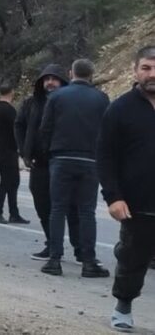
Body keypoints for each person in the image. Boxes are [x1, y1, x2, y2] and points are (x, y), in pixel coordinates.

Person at [97, 46, 155, 331]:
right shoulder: (119, 109)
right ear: (135, 71)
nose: (152, 74)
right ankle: (123, 306)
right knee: (133, 259)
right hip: (137, 203)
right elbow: (105, 156)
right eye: (146, 68)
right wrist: (113, 197)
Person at [38, 59, 111, 278]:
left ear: (71, 73)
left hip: (61, 157)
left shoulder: (58, 96)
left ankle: (54, 259)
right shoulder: (102, 98)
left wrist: (49, 151)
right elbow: (108, 131)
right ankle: (88, 261)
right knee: (87, 211)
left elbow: (45, 128)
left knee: (58, 209)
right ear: (91, 74)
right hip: (90, 160)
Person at [15, 64, 80, 261]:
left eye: (54, 78)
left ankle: (80, 248)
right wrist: (24, 150)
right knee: (43, 206)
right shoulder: (31, 103)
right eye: (46, 79)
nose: (50, 82)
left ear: (62, 81)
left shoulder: (71, 102)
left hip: (65, 161)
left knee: (73, 208)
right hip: (40, 163)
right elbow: (19, 125)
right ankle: (52, 244)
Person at [0, 84, 27, 225]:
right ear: (12, 92)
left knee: (13, 181)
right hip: (9, 149)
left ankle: (14, 212)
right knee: (7, 181)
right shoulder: (10, 110)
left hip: (0, 146)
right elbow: (15, 130)